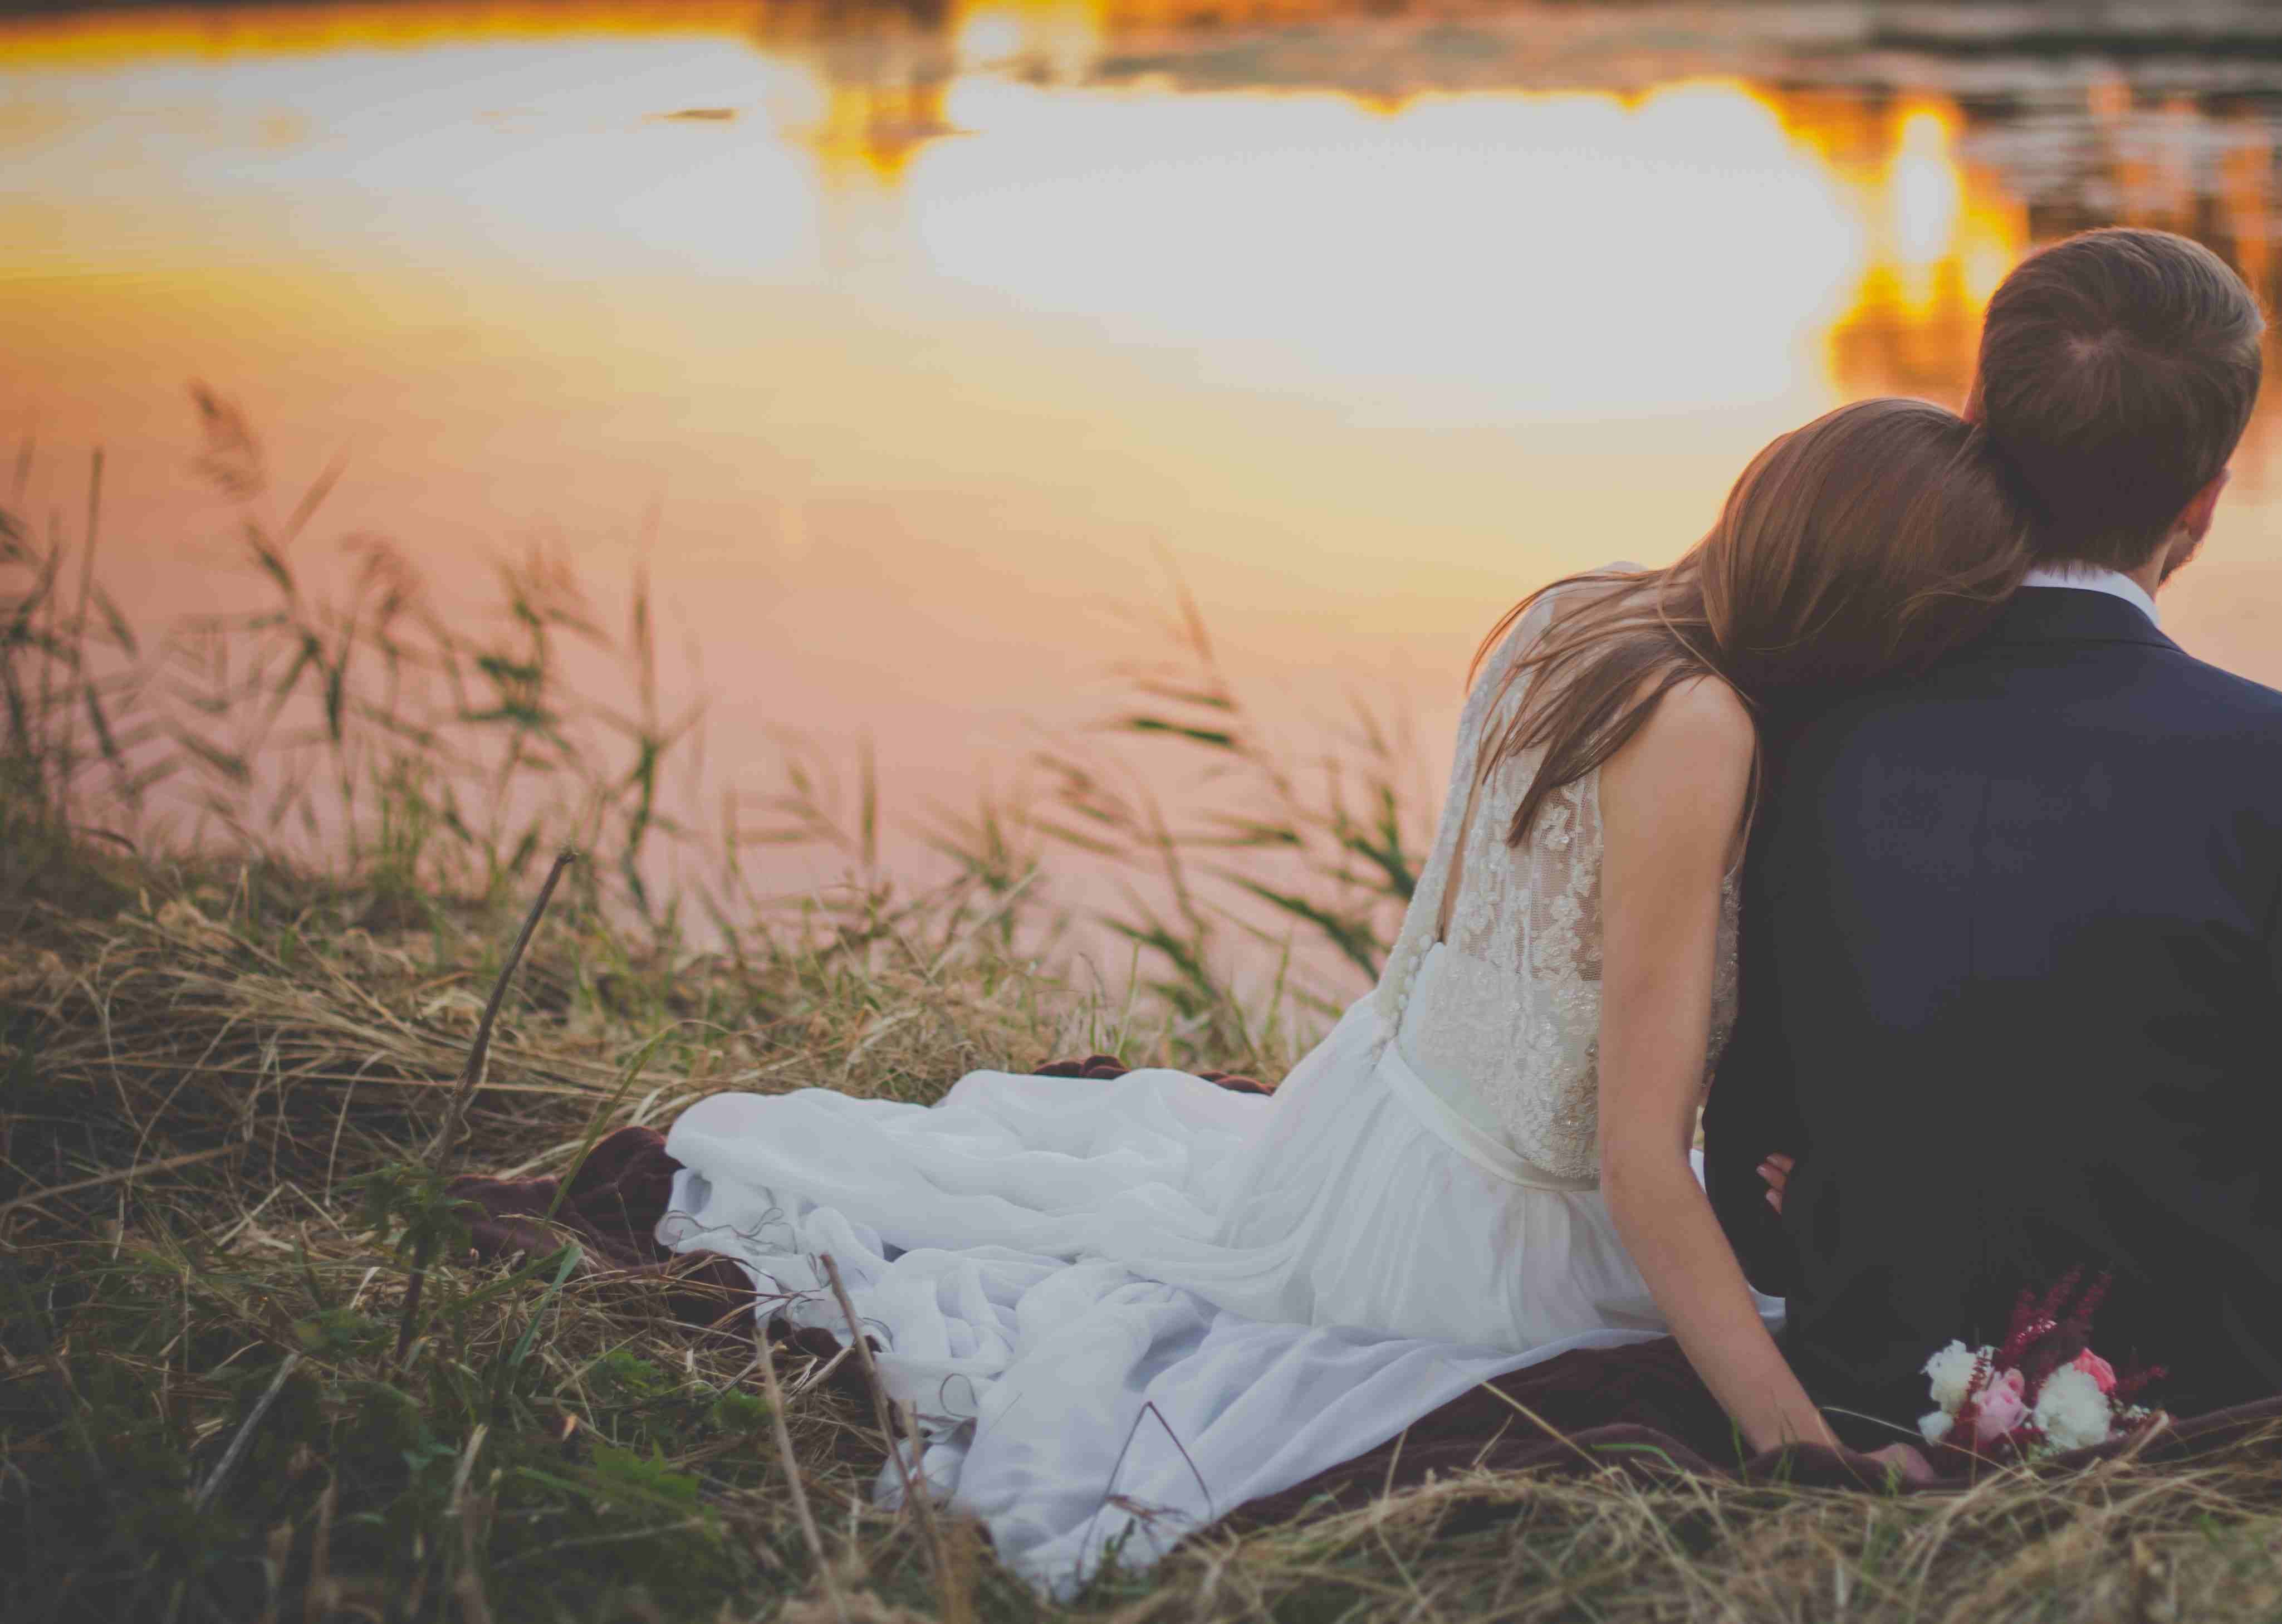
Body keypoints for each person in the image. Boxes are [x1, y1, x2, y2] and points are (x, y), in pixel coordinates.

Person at [654, 397, 2031, 1586]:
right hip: (1482, 1234)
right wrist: (1801, 1454)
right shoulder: (1701, 728)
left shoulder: (1587, 608)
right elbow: (1631, 1159)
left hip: (1366, 1122)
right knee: (1787, 1354)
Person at [1705, 228, 2282, 1436]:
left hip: (1886, 1363)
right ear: (2205, 502)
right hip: (2206, 1375)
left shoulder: (1811, 729)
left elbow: (1749, 1181)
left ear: (1978, 432)